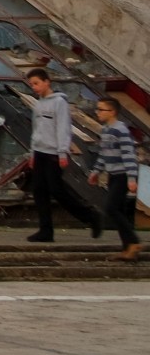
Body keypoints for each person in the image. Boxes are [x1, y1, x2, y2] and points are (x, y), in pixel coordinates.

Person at [25, 68, 101, 242]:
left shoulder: (59, 102)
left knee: (57, 190)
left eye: (36, 83)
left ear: (47, 82)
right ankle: (46, 230)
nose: (34, 87)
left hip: (53, 153)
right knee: (39, 191)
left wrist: (62, 152)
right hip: (39, 152)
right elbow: (36, 130)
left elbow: (63, 129)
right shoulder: (38, 104)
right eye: (32, 85)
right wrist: (32, 152)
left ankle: (90, 216)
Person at [91, 96, 142, 260]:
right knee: (117, 210)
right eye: (97, 109)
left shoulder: (121, 130)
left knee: (111, 208)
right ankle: (127, 248)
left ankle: (133, 242)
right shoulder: (105, 130)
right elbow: (103, 154)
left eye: (101, 109)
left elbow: (129, 155)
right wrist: (96, 171)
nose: (97, 112)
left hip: (123, 175)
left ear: (112, 112)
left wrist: (132, 178)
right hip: (112, 174)